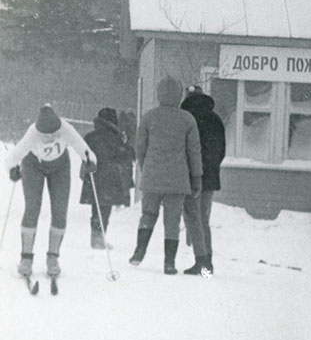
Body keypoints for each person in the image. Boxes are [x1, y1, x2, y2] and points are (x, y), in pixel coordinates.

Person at [4, 104, 97, 277]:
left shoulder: (66, 129)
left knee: (60, 210)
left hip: (59, 167)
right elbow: (13, 157)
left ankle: (53, 257)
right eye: (44, 136)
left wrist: (89, 161)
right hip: (33, 165)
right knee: (32, 207)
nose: (48, 139)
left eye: (52, 136)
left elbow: (83, 149)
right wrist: (12, 170)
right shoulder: (32, 133)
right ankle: (26, 258)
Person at [129, 76, 205, 275]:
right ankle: (169, 263)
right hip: (178, 179)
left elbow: (140, 148)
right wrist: (196, 177)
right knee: (172, 221)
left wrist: (146, 168)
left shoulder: (149, 117)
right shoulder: (187, 119)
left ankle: (139, 252)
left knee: (148, 214)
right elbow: (194, 151)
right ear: (179, 94)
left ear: (158, 93)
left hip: (153, 175)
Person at [180, 85, 226, 276]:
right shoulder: (215, 119)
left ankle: (202, 264)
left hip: (191, 176)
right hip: (211, 176)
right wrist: (211, 168)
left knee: (193, 218)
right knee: (203, 220)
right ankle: (208, 263)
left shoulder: (186, 119)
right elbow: (221, 150)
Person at [79, 108, 135, 249]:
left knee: (96, 208)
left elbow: (84, 157)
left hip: (93, 177)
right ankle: (99, 238)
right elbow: (126, 157)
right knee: (104, 210)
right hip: (110, 178)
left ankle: (95, 236)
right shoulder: (117, 138)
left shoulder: (90, 137)